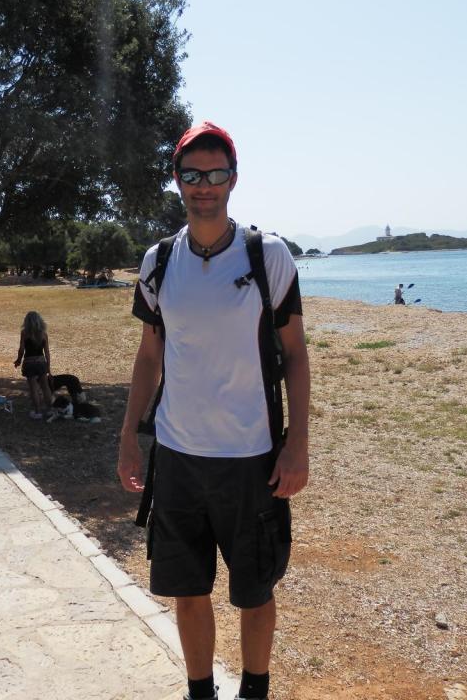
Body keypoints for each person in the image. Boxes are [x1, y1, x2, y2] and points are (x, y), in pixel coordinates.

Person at [118, 122, 310, 700]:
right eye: (192, 174)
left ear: (233, 178)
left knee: (256, 590)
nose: (205, 185)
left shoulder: (267, 256)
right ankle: (199, 691)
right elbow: (150, 354)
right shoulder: (157, 262)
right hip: (177, 458)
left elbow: (297, 356)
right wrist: (130, 435)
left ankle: (255, 690)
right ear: (177, 180)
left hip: (252, 458)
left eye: (216, 173)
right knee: (188, 588)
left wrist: (297, 444)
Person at [14, 311, 55, 420]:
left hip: (29, 362)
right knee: (45, 387)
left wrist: (18, 360)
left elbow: (21, 349)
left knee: (33, 389)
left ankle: (37, 412)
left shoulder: (24, 333)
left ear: (26, 322)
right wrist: (49, 368)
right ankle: (50, 410)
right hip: (41, 362)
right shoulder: (44, 334)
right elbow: (47, 353)